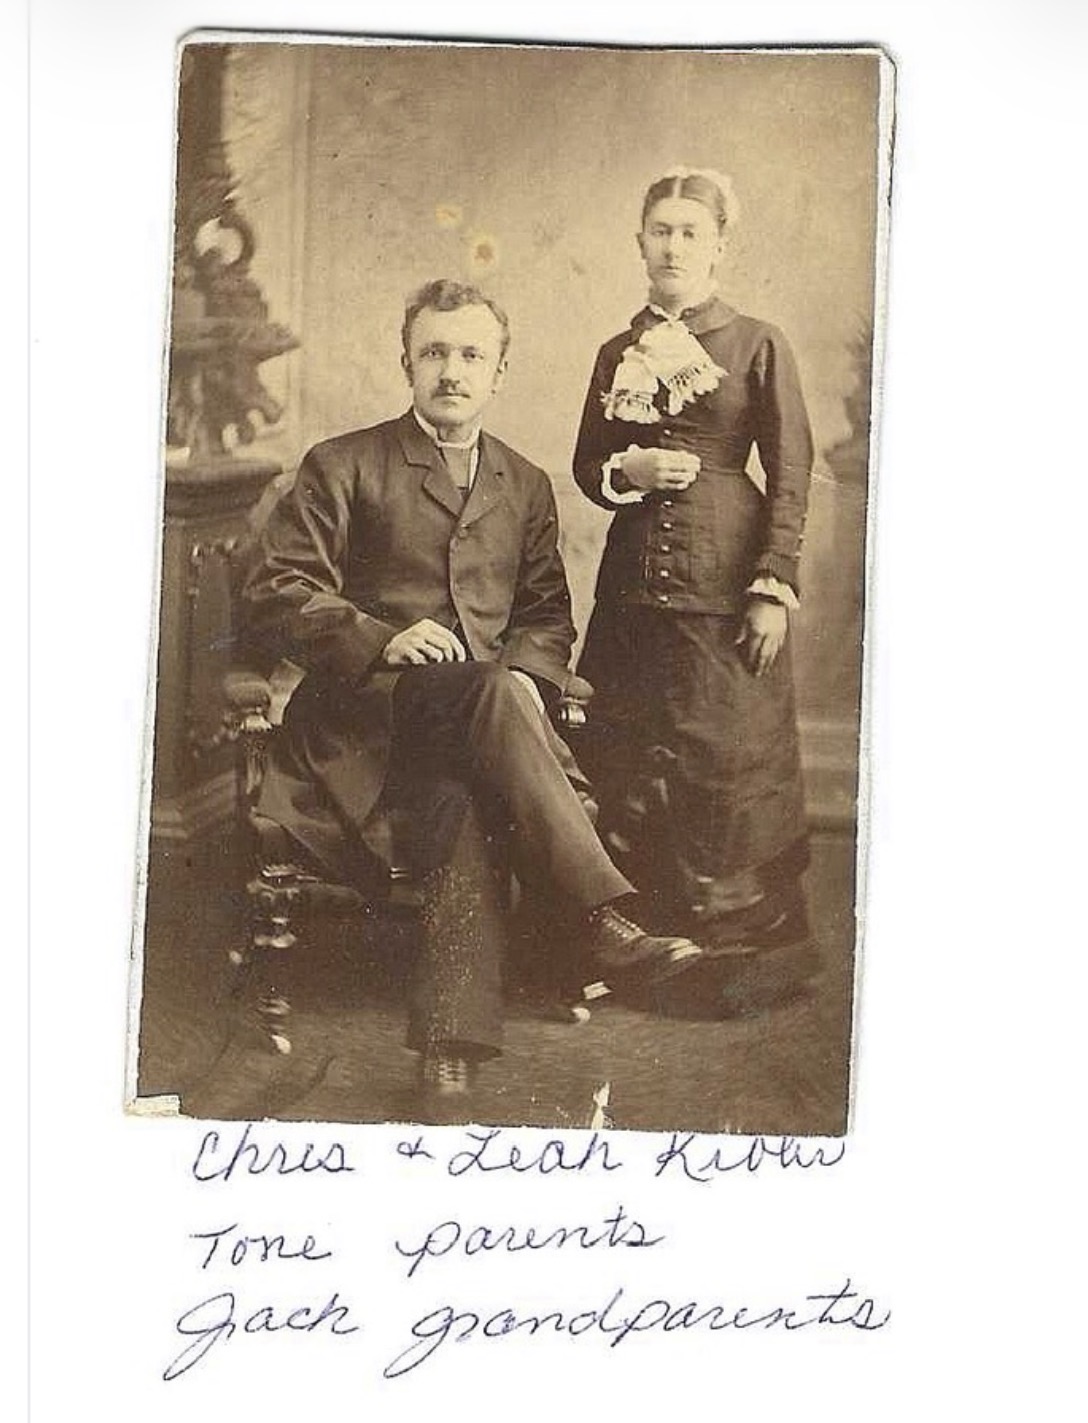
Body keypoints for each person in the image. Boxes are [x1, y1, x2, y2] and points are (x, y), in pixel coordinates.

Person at [240, 277, 701, 1113]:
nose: (452, 371)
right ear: (407, 363)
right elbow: (276, 592)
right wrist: (380, 636)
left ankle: (449, 1050)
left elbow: (546, 619)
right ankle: (600, 915)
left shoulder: (522, 483)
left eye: (471, 355)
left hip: (479, 735)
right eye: (435, 353)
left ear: (499, 372)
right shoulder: (343, 464)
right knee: (488, 701)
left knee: (468, 790)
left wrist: (523, 683)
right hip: (366, 726)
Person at [571, 167, 816, 1007]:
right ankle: (638, 949)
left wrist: (771, 584)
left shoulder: (756, 342)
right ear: (640, 242)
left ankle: (729, 964)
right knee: (622, 749)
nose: (673, 246)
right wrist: (629, 470)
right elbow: (588, 465)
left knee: (725, 758)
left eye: (689, 232)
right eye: (660, 231)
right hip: (633, 592)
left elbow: (791, 472)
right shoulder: (617, 353)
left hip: (725, 586)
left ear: (718, 246)